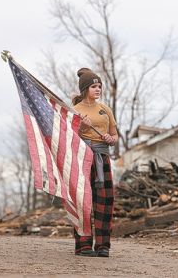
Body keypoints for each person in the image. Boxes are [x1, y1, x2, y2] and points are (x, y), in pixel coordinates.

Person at [72, 67, 118, 257]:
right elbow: (70, 136)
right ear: (85, 89)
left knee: (105, 201)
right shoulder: (75, 110)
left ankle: (102, 246)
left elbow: (115, 136)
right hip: (82, 157)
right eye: (94, 86)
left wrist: (110, 139)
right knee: (83, 201)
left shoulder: (104, 109)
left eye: (99, 86)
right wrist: (81, 126)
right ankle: (83, 246)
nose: (98, 89)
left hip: (102, 157)